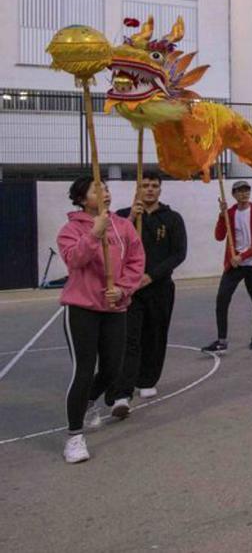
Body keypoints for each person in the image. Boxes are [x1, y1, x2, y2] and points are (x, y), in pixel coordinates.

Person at [58, 177, 145, 464]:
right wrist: (94, 234)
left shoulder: (124, 226)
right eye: (97, 189)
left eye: (106, 188)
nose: (105, 192)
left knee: (111, 370)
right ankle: (74, 437)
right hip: (81, 309)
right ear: (82, 199)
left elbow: (136, 261)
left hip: (114, 308)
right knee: (84, 370)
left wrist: (122, 288)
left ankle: (90, 402)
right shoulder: (70, 230)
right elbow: (74, 261)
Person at [114, 171, 187, 404]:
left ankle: (147, 380)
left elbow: (178, 253)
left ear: (160, 189)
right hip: (130, 290)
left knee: (155, 335)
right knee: (129, 339)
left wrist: (151, 276)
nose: (149, 189)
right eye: (144, 185)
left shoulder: (172, 218)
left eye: (154, 185)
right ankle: (123, 392)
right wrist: (128, 222)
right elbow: (113, 247)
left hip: (160, 287)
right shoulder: (122, 216)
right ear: (137, 188)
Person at [204, 180, 252, 353]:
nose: (244, 193)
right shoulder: (230, 213)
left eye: (246, 190)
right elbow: (219, 236)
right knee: (222, 299)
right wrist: (221, 215)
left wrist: (243, 256)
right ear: (233, 194)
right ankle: (222, 340)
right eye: (239, 191)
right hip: (234, 265)